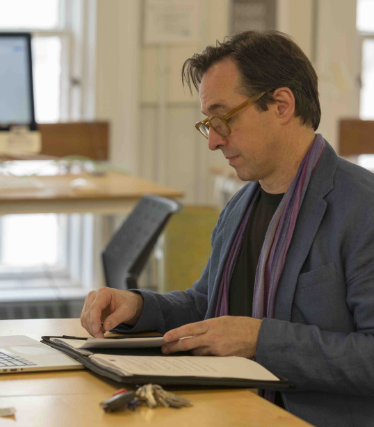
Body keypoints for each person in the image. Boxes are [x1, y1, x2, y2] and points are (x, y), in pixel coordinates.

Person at [80, 31, 374, 427]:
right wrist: (137, 307)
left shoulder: (362, 208)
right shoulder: (242, 203)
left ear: (281, 104)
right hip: (229, 409)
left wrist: (261, 341)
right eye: (209, 124)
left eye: (223, 119)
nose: (213, 141)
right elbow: (208, 305)